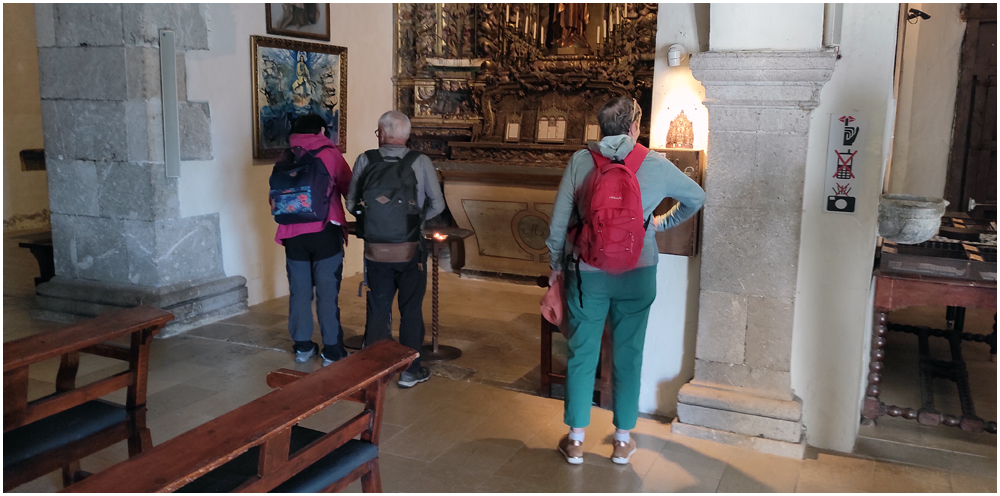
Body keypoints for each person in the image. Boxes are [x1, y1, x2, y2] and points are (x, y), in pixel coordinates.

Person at [545, 96, 706, 465]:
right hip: (638, 271)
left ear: (601, 128)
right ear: (634, 127)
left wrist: (556, 265)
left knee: (582, 352)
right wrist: (659, 223)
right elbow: (696, 197)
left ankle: (575, 440)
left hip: (587, 271)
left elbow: (558, 222)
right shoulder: (654, 163)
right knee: (629, 354)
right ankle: (622, 441)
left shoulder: (581, 161)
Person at [347, 110, 446, 388]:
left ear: (381, 133)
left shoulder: (366, 159)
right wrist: (415, 223)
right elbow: (438, 204)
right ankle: (410, 371)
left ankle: (377, 371)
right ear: (407, 135)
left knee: (378, 307)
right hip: (411, 249)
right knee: (411, 308)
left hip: (375, 250)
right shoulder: (420, 161)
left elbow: (351, 203)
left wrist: (373, 223)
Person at [274, 113, 352, 365]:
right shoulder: (329, 153)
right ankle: (332, 351)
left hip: (292, 235)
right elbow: (349, 188)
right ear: (320, 130)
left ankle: (303, 347)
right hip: (324, 231)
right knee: (327, 292)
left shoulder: (287, 155)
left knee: (299, 291)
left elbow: (276, 197)